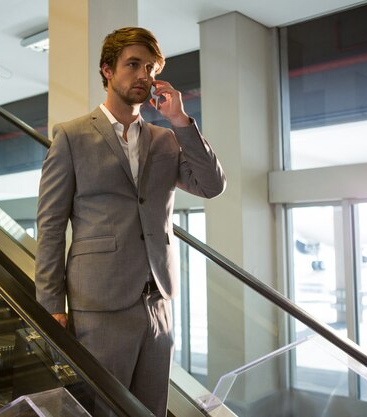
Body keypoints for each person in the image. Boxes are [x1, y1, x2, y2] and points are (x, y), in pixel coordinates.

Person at [35, 27, 226, 416]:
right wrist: (51, 303)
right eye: (133, 65)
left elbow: (211, 185)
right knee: (103, 408)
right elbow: (51, 226)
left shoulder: (166, 139)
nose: (144, 75)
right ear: (107, 70)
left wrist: (180, 120)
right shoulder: (70, 137)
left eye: (151, 68)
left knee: (151, 408)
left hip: (159, 301)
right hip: (99, 303)